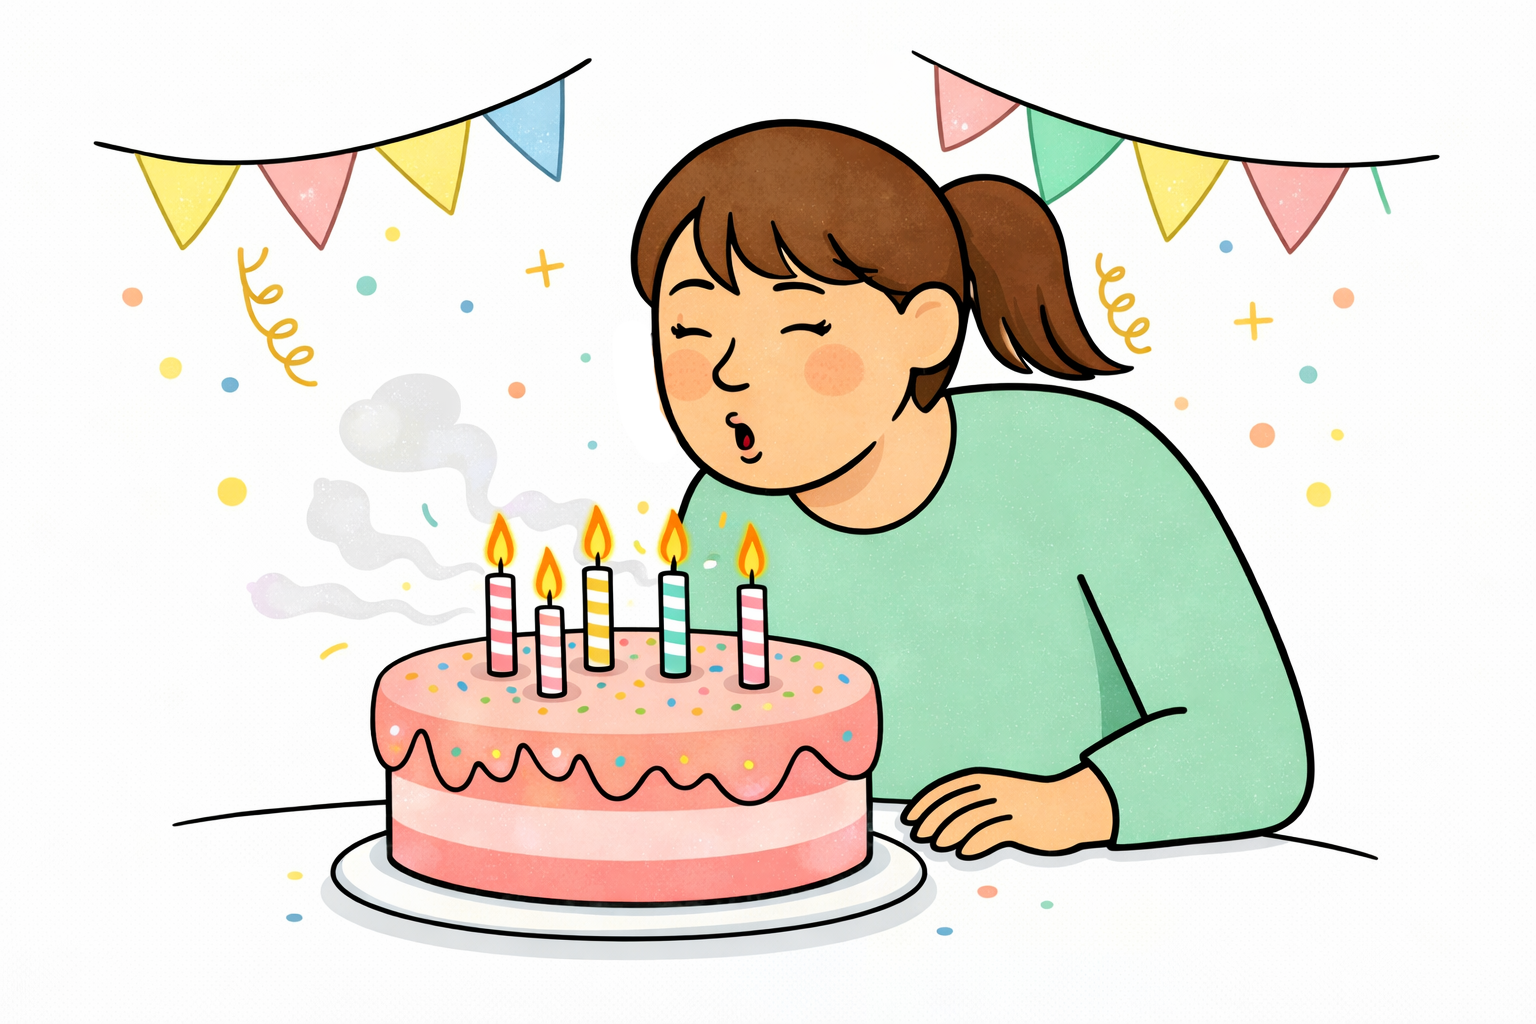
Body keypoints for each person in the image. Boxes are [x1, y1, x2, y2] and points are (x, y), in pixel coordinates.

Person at [629, 121, 1311, 857]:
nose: (729, 369)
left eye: (798, 326)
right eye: (692, 329)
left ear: (926, 329)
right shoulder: (727, 512)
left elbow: (1255, 744)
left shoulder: (1090, 461)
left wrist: (1077, 807)